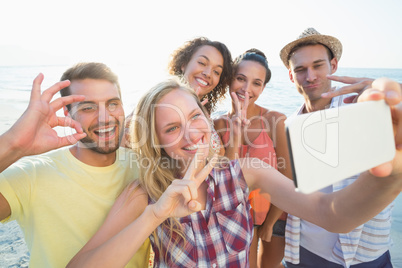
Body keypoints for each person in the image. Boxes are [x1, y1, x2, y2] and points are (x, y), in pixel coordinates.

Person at [67, 78, 402, 268]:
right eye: (171, 128)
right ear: (157, 144)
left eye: (195, 116)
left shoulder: (247, 172)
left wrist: (392, 169)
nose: (192, 133)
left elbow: (332, 214)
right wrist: (154, 215)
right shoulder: (144, 195)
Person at [0, 63, 150, 268]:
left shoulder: (143, 166)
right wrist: (14, 143)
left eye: (113, 104)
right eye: (88, 107)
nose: (105, 117)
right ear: (67, 112)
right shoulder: (32, 175)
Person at [279, 27, 399, 267]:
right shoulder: (289, 124)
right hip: (301, 251)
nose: (310, 76)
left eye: (318, 65)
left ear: (333, 65)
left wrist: (385, 104)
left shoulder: (360, 109)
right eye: (300, 69)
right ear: (292, 76)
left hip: (361, 255)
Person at [214, 49, 290, 268]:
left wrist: (269, 223)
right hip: (233, 218)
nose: (247, 89)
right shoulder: (218, 125)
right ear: (229, 79)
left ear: (263, 87)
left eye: (257, 83)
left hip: (273, 217)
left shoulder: (273, 121)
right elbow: (221, 178)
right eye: (240, 79)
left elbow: (287, 176)